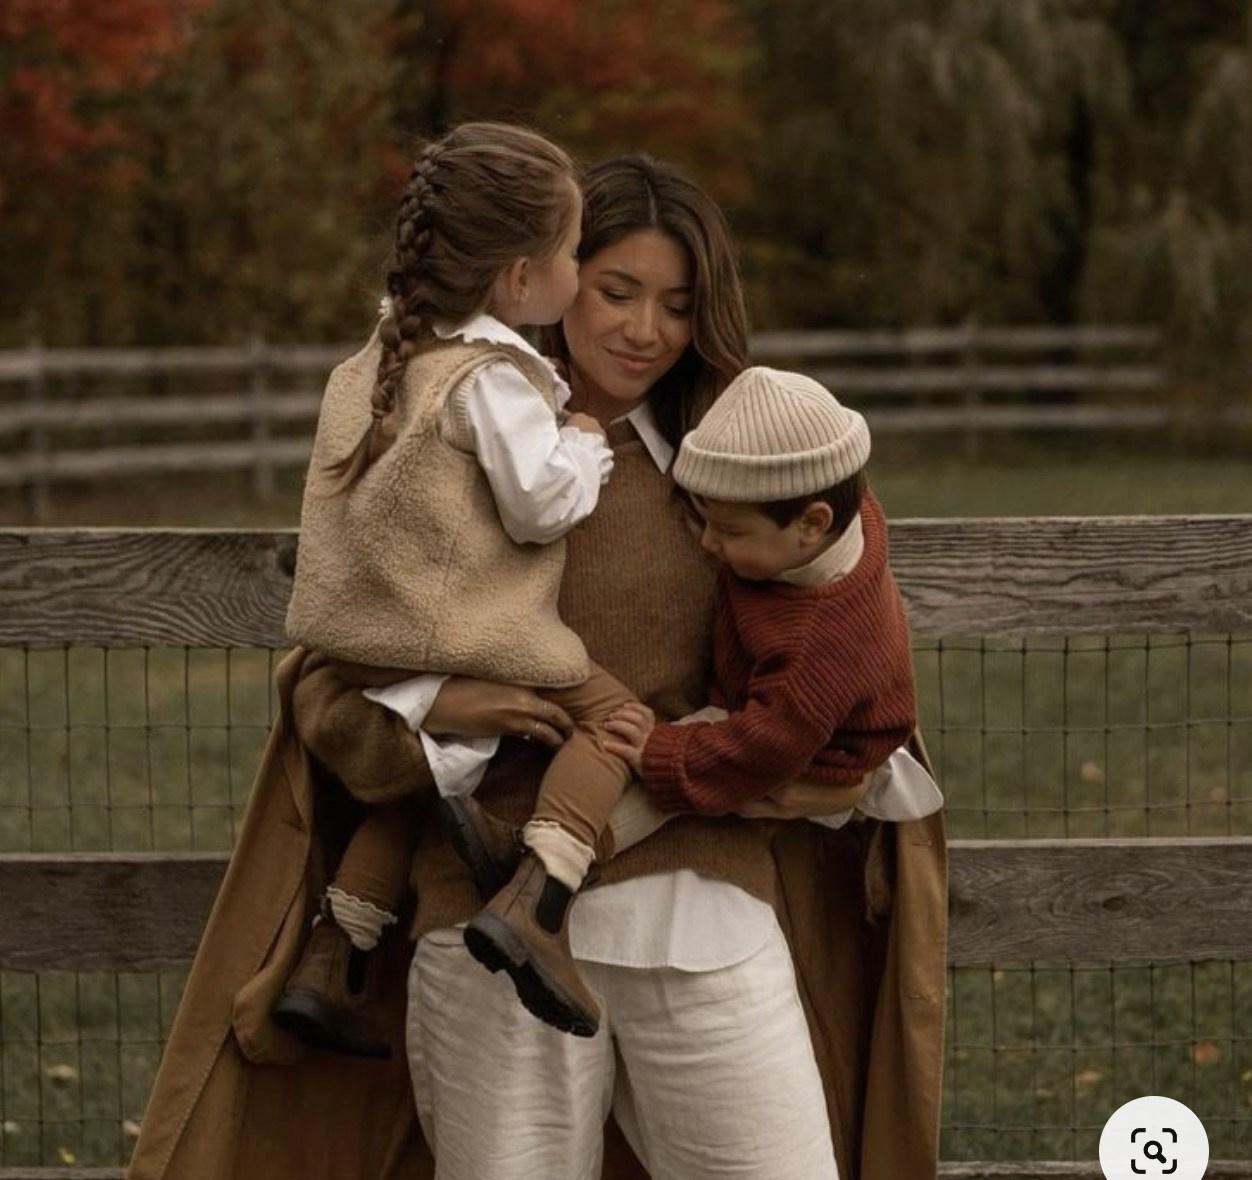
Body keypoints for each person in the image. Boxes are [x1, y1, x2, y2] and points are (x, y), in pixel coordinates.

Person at [125, 151, 947, 1180]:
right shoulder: (437, 429)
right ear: (547, 277)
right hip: (478, 922)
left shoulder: (755, 470)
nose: (643, 329)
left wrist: (769, 771)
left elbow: (848, 674)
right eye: (616, 289)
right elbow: (329, 694)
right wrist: (444, 707)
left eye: (678, 305)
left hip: (699, 907)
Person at [276, 118, 642, 1052]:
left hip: (363, 644)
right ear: (520, 277)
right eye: (570, 252)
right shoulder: (495, 379)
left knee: (414, 794)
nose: (576, 267)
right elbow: (540, 507)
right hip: (451, 639)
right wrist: (587, 442)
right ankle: (542, 896)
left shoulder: (378, 359)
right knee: (617, 722)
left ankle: (339, 947)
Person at [600, 365, 943, 839]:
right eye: (705, 522)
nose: (708, 543)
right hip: (781, 717)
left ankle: (566, 862)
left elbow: (762, 747)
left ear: (811, 523)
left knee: (640, 787)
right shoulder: (836, 508)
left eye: (731, 531)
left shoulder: (820, 645)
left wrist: (660, 750)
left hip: (806, 753)